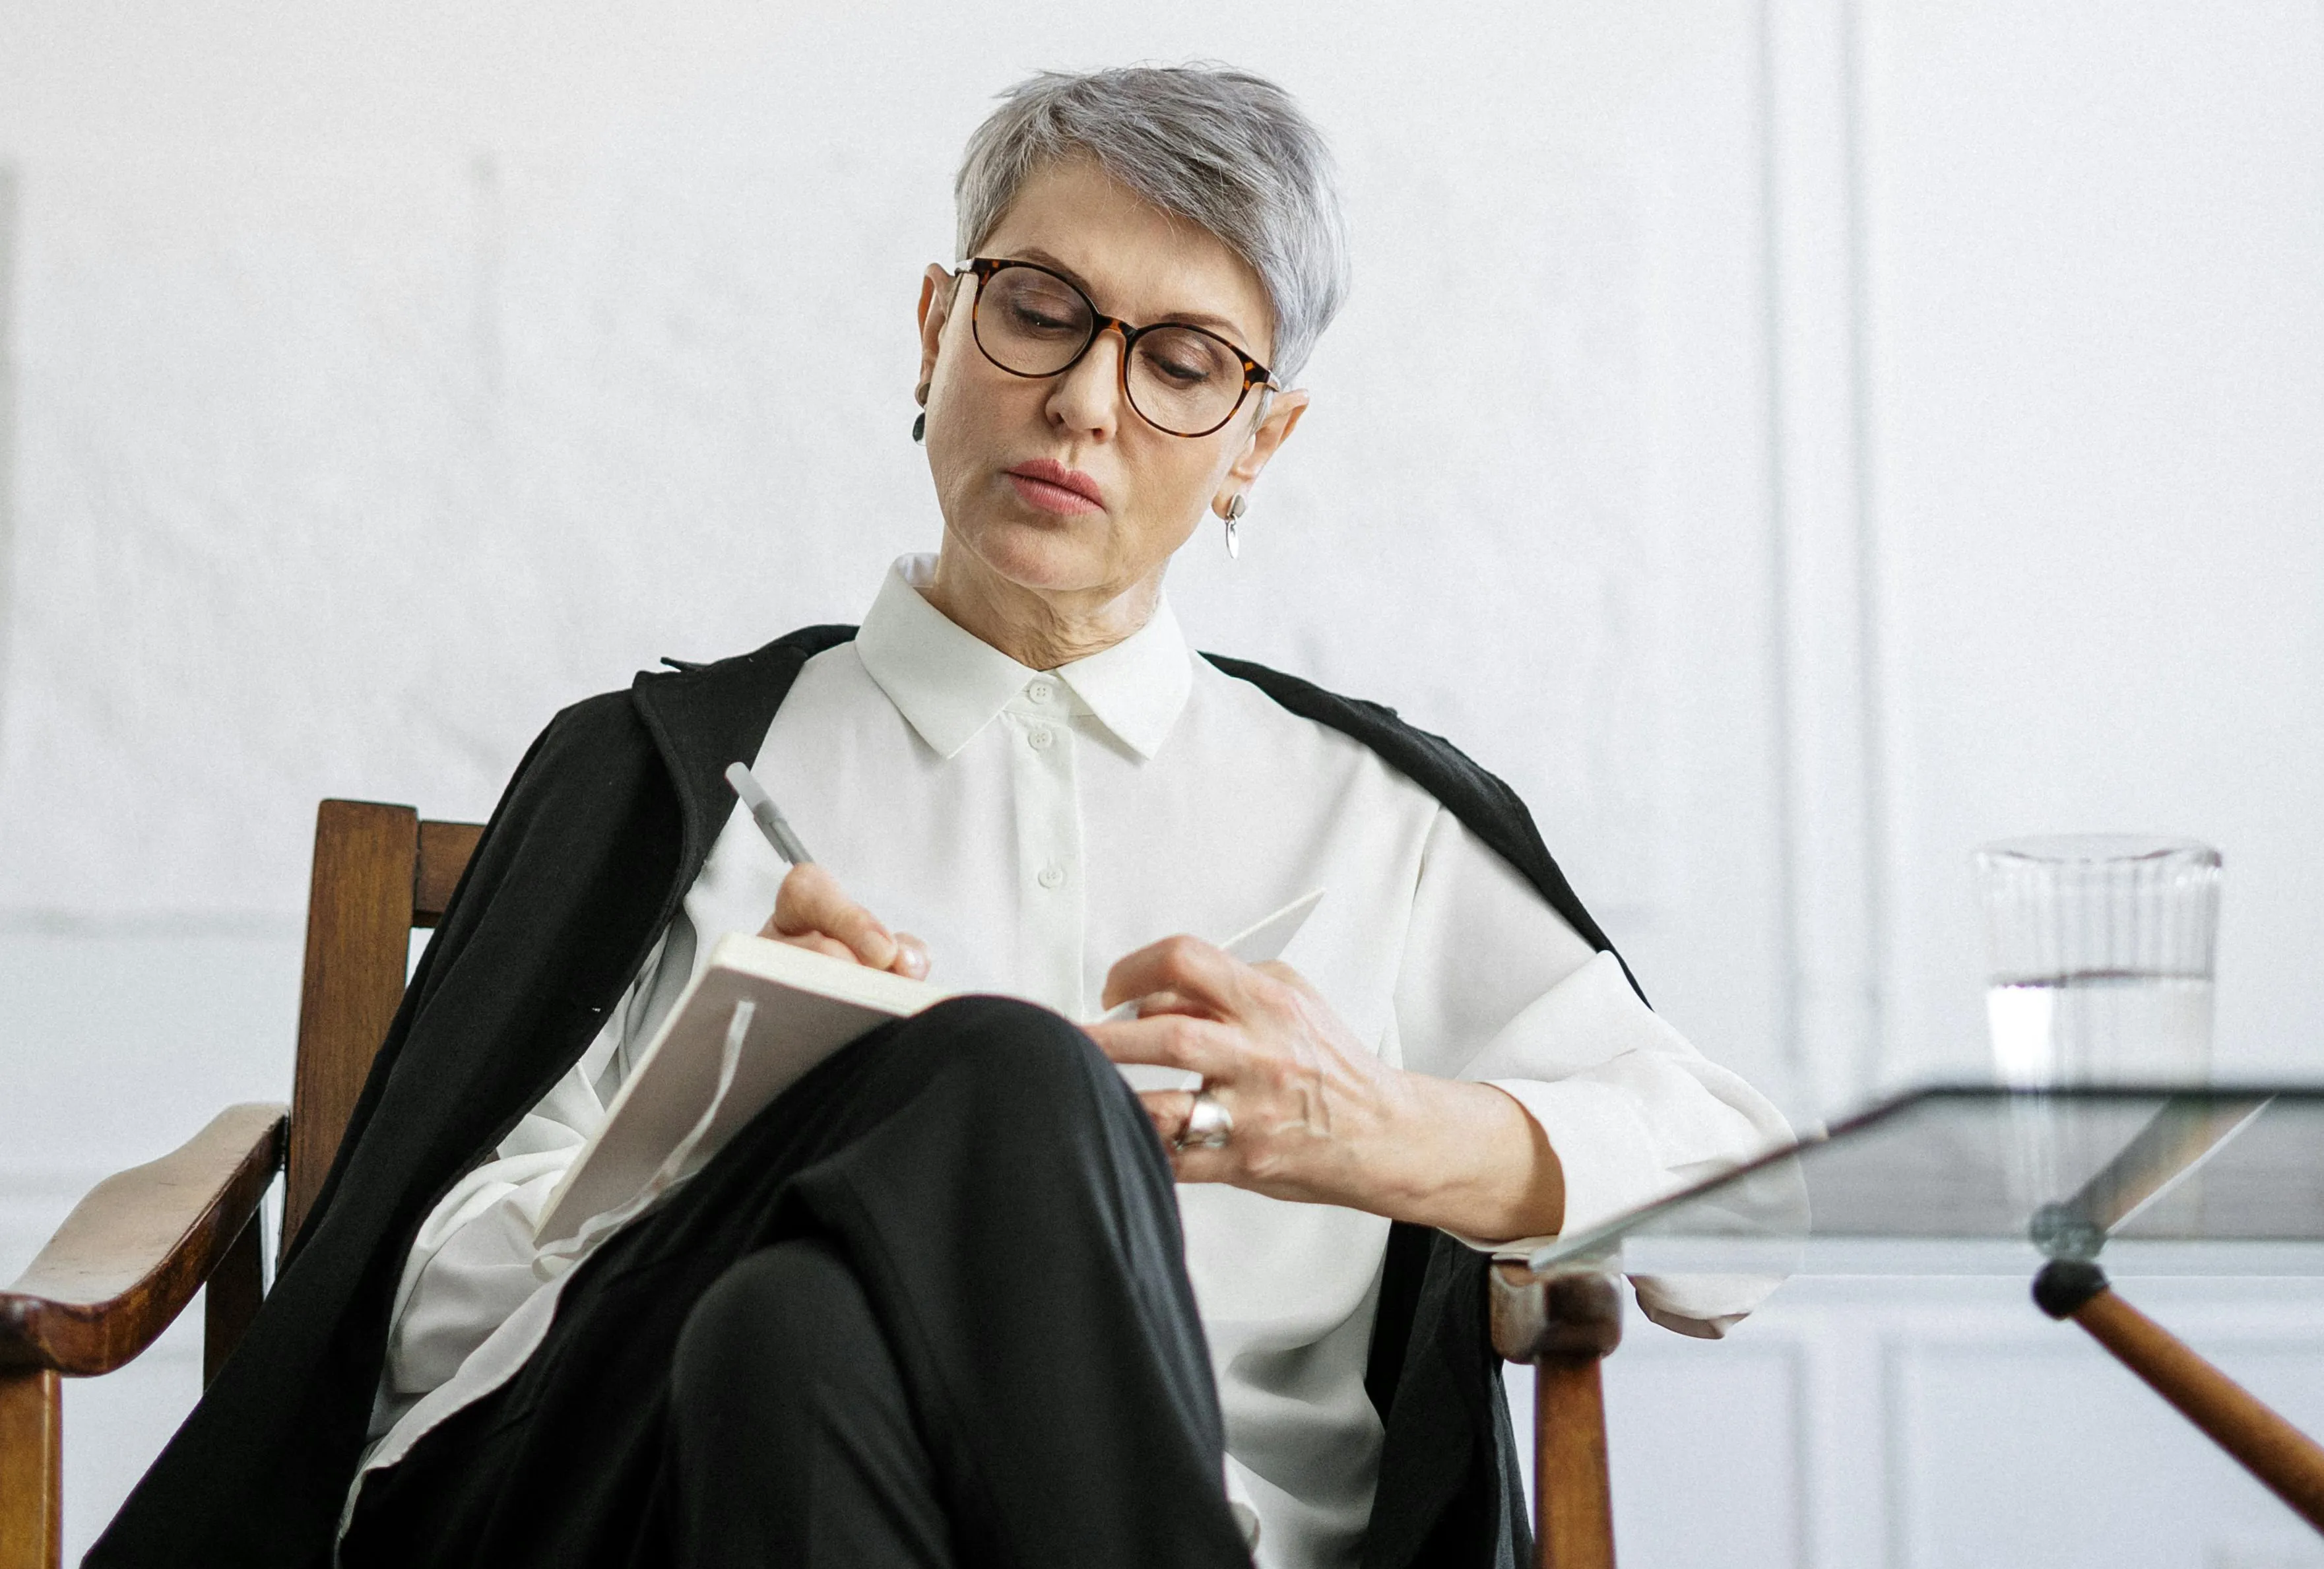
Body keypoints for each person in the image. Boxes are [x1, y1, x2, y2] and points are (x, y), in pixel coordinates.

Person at [92, 64, 1790, 1569]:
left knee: (795, 1341)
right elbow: (424, 1331)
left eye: (1184, 361)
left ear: (1260, 442)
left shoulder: (1374, 819)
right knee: (993, 1077)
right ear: (935, 327)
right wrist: (726, 1128)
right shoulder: (674, 779)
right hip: (616, 1502)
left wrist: (1383, 1132)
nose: (1086, 401)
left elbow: (1752, 1226)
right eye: (1041, 308)